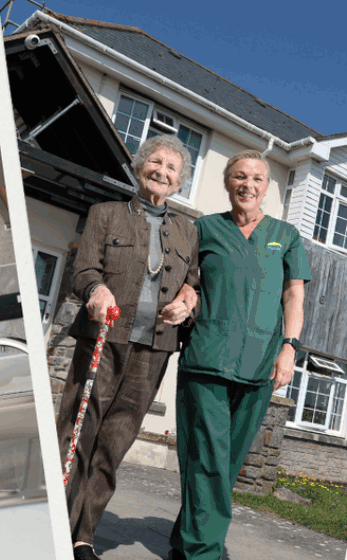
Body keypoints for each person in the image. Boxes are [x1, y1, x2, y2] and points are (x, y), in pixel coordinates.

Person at [57, 134, 201, 560]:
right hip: (103, 339)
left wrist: (187, 301)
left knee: (115, 442)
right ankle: (56, 524)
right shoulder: (106, 214)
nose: (162, 171)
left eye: (172, 168)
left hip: (153, 351)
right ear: (140, 168)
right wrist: (98, 290)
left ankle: (84, 535)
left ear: (179, 183)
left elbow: (193, 282)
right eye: (155, 162)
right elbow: (84, 269)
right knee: (77, 433)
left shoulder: (187, 230)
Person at [168, 151, 306, 560]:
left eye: (258, 178)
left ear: (268, 187)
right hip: (207, 358)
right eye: (239, 177)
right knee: (207, 456)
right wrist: (184, 302)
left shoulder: (287, 234)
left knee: (226, 465)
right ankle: (204, 552)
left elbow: (294, 293)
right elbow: (188, 283)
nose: (248, 184)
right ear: (228, 183)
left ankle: (184, 539)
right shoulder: (204, 228)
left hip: (262, 364)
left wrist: (289, 348)